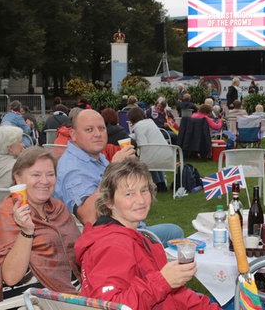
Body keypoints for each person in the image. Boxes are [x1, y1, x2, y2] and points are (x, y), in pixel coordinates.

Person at [76, 158, 221, 310]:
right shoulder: (111, 246)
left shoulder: (136, 237)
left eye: (144, 190)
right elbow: (111, 306)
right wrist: (163, 281)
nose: (140, 200)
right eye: (129, 194)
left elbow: (174, 294)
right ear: (109, 201)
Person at [53, 109, 184, 245]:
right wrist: (112, 168)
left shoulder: (92, 157)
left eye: (101, 128)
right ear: (73, 135)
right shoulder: (72, 169)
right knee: (175, 232)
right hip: (112, 239)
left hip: (123, 227)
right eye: (89, 130)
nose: (97, 134)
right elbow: (88, 217)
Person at [0, 147, 81, 301]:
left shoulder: (58, 208)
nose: (45, 181)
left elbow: (78, 252)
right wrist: (26, 231)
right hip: (32, 299)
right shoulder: (6, 214)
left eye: (50, 174)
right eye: (36, 175)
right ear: (18, 178)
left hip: (73, 292)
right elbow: (10, 278)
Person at [128, 107, 174, 192]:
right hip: (166, 152)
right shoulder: (150, 122)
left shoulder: (138, 127)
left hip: (154, 154)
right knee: (152, 158)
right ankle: (161, 184)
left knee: (148, 159)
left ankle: (157, 184)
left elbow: (143, 144)